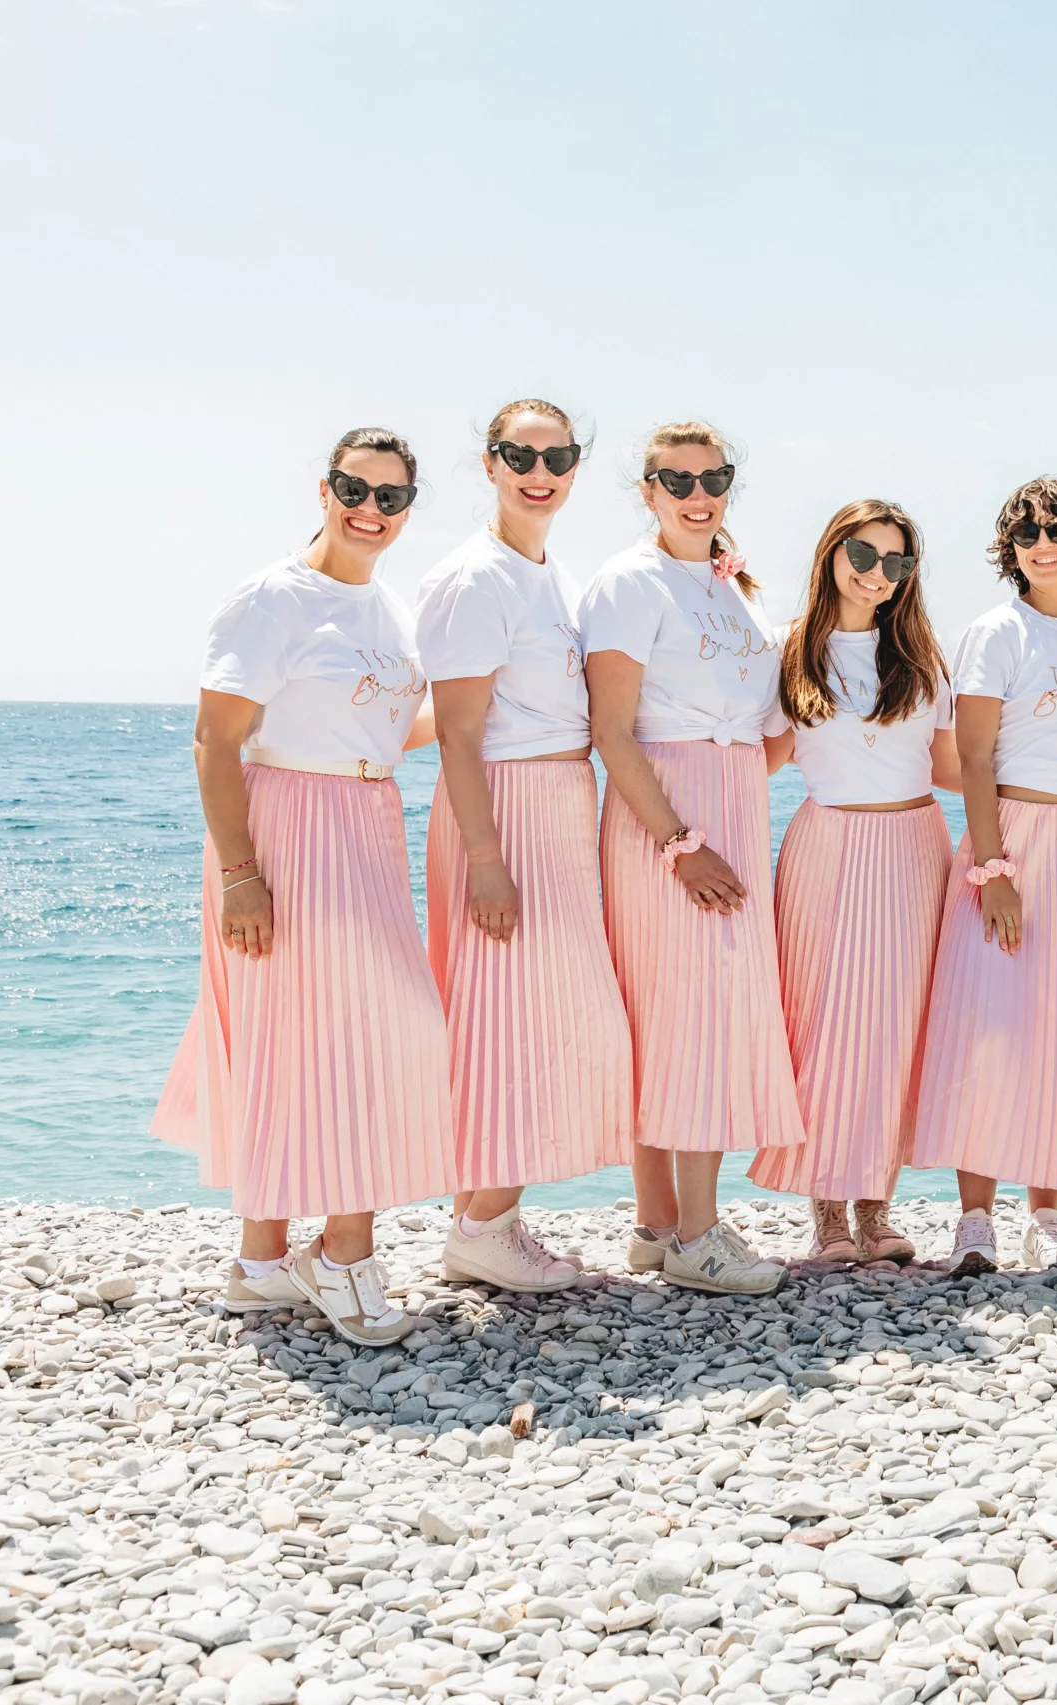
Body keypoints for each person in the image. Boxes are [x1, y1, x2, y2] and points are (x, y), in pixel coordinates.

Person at [153, 427, 451, 1347]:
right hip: (284, 829)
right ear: (323, 489)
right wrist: (241, 872)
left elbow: (382, 727)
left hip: (363, 821)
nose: (371, 508)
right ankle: (346, 1253)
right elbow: (215, 740)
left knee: (312, 1037)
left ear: (409, 508)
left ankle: (259, 1263)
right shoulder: (275, 597)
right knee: (371, 1034)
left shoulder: (392, 610)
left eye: (392, 497)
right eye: (353, 488)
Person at [579, 420, 800, 1296]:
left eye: (713, 477)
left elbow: (765, 728)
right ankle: (695, 1234)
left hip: (730, 804)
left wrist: (741, 784)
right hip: (666, 817)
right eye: (677, 480)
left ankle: (660, 1224)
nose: (697, 493)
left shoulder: (729, 585)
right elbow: (611, 730)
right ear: (647, 491)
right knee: (685, 1011)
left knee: (695, 1010)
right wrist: (681, 840)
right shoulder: (630, 582)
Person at [415, 400, 632, 1293]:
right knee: (507, 1018)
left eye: (558, 455)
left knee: (532, 1017)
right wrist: (488, 860)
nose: (540, 471)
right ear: (490, 462)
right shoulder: (476, 579)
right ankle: (483, 1226)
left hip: (554, 801)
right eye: (520, 454)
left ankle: (486, 1219)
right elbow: (458, 734)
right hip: (501, 806)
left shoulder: (544, 571)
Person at [912, 478, 1057, 1276]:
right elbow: (973, 758)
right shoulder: (998, 631)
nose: (1043, 542)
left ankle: (1048, 1214)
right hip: (1013, 838)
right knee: (988, 1024)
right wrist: (993, 867)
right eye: (1027, 532)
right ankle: (973, 1220)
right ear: (1012, 550)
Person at [746, 501, 958, 1266]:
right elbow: (760, 757)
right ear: (832, 552)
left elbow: (948, 766)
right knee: (822, 1020)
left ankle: (878, 1209)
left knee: (899, 1025)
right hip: (826, 845)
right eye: (864, 555)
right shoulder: (787, 649)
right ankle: (827, 1213)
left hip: (914, 845)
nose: (878, 574)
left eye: (897, 563)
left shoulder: (925, 657)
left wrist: (1049, 800)